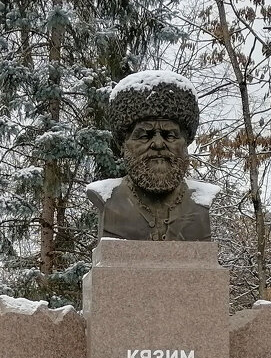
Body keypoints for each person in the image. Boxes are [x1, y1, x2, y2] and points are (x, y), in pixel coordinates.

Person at [86, 70, 217, 241]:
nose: (158, 144)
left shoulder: (201, 200)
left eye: (169, 135)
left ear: (185, 143)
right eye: (144, 135)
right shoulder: (107, 197)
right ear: (123, 146)